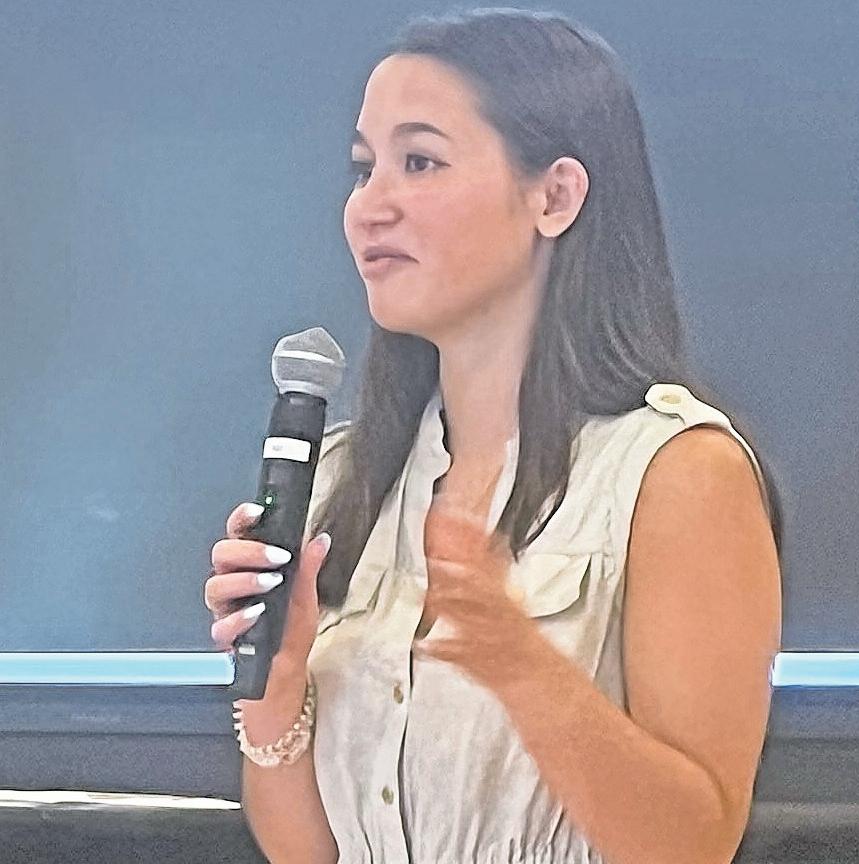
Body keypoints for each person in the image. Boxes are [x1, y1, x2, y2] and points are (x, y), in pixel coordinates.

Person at [204, 7, 784, 863]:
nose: (368, 208)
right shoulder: (346, 478)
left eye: (419, 162)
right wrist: (278, 687)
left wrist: (518, 661)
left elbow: (694, 844)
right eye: (364, 169)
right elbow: (311, 854)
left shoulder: (679, 473)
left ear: (554, 197)